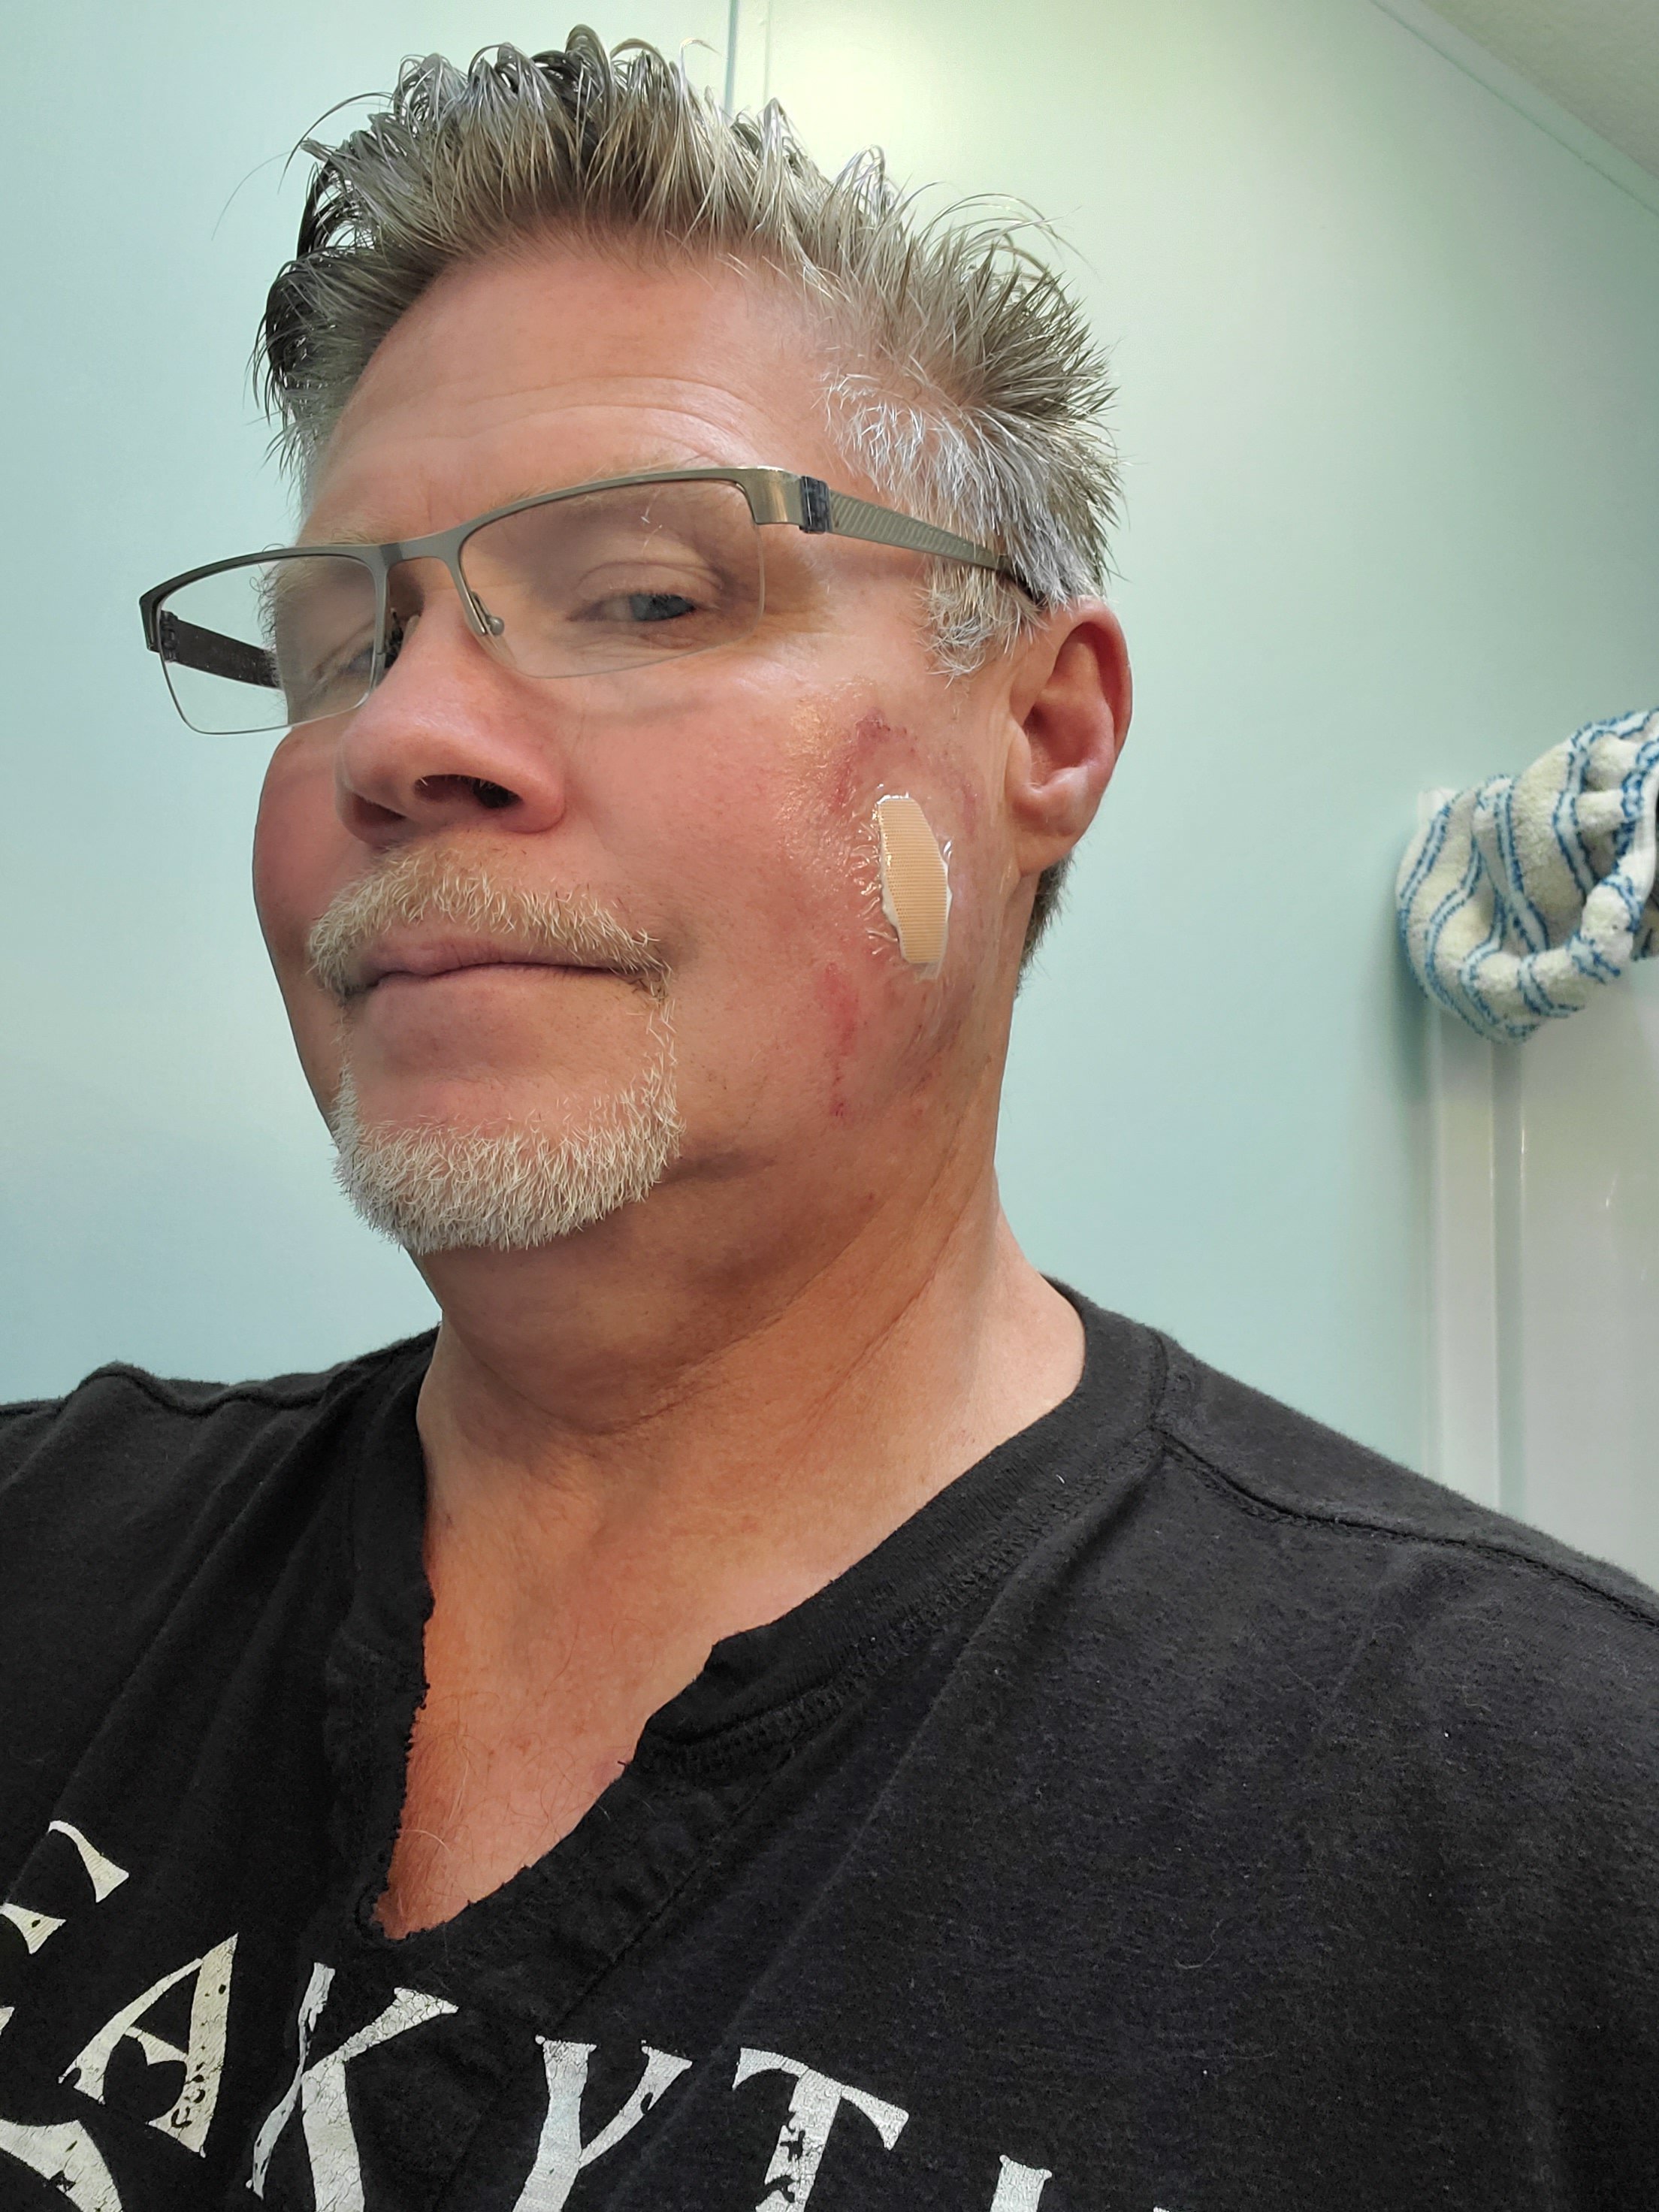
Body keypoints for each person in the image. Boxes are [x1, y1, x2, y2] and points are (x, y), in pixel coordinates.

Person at [2, 29, 1654, 2212]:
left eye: (645, 597)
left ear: (1043, 727)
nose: (399, 738)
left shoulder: (1555, 1837)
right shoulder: (42, 1549)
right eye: (340, 650)